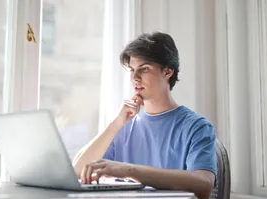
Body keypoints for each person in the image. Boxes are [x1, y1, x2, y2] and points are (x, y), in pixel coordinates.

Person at [73, 32, 216, 199]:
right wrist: (116, 123)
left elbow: (204, 184)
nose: (135, 78)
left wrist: (129, 170)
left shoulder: (197, 127)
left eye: (144, 69)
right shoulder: (123, 126)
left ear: (168, 71)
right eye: (132, 70)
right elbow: (78, 170)